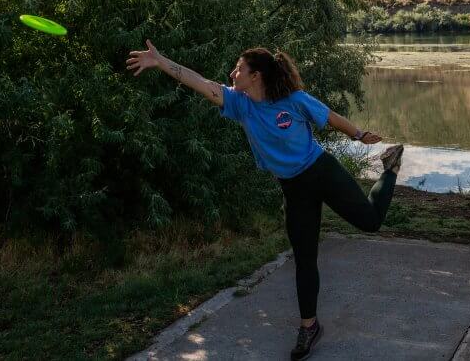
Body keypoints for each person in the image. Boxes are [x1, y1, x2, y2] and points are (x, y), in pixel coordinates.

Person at [126, 40, 404, 361]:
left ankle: (390, 167)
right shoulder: (240, 104)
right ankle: (309, 326)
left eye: (239, 69)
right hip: (293, 188)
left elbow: (328, 117)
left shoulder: (295, 100)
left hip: (321, 171)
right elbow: (200, 82)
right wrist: (161, 62)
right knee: (304, 258)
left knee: (370, 222)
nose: (233, 73)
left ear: (256, 75)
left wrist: (359, 134)